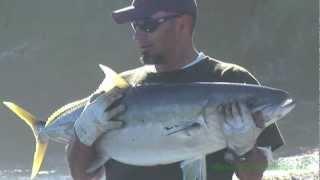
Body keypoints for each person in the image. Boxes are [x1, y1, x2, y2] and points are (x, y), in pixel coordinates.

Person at [67, 0, 284, 179]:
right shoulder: (116, 90)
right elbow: (81, 175)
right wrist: (83, 130)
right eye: (135, 26)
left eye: (148, 25)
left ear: (182, 24)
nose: (138, 36)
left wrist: (244, 149)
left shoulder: (234, 80)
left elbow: (253, 176)